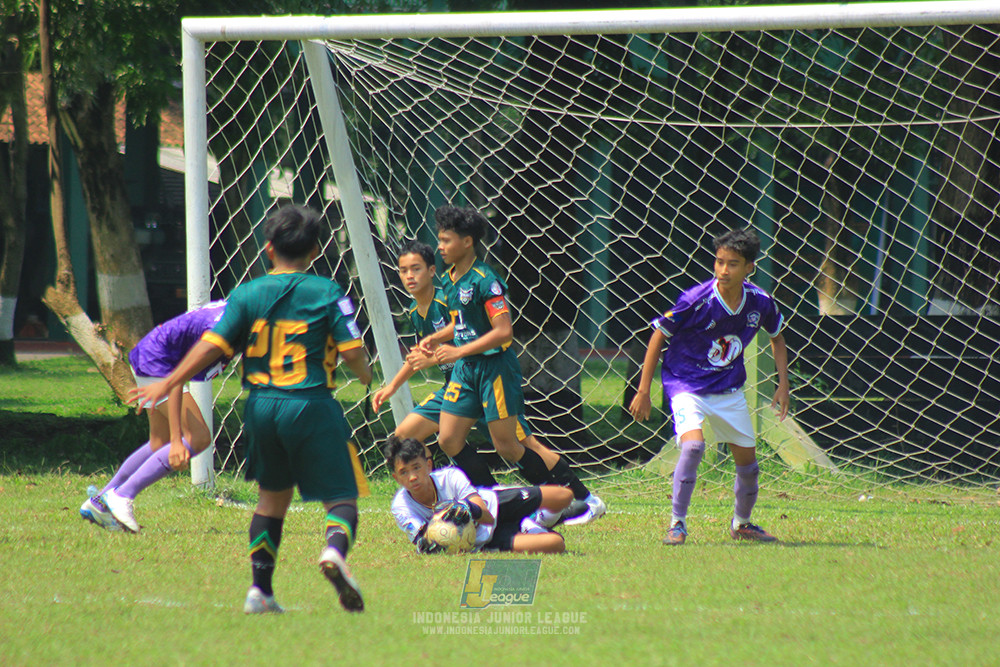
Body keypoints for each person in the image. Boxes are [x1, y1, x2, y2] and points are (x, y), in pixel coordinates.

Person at [130, 205, 373, 614]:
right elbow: (352, 353)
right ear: (315, 250)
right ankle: (334, 553)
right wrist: (365, 373)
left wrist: (171, 380)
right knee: (342, 495)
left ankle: (260, 590)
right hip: (311, 403)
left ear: (268, 248)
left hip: (261, 409)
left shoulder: (245, 294)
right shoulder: (328, 292)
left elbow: (210, 345)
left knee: (270, 501)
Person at [374, 239, 599, 525]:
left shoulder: (449, 297)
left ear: (432, 271)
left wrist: (439, 357)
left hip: (485, 378)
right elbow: (423, 354)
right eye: (403, 270)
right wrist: (392, 386)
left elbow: (469, 333)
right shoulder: (415, 310)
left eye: (415, 269)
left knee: (523, 444)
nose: (409, 276)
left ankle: (584, 497)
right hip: (456, 387)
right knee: (404, 438)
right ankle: (485, 499)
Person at [629, 228, 789, 546]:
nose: (724, 270)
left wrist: (783, 384)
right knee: (693, 447)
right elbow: (659, 334)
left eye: (732, 264)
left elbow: (778, 337)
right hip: (686, 384)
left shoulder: (760, 302)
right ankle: (677, 523)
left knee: (749, 465)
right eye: (719, 262)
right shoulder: (696, 299)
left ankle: (742, 524)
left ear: (749, 268)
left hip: (728, 389)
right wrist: (643, 390)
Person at [80, 300, 228, 533]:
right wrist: (179, 441)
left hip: (150, 352)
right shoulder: (227, 328)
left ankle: (99, 501)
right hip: (158, 362)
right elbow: (179, 376)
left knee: (160, 442)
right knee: (198, 437)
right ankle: (122, 495)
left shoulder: (239, 313)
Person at [386, 435, 572, 554]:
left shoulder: (450, 477)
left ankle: (536, 517)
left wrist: (466, 509)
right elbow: (424, 545)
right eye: (404, 472)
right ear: (396, 477)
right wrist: (446, 533)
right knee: (556, 544)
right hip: (482, 539)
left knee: (563, 496)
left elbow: (487, 517)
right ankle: (528, 523)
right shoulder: (401, 507)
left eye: (416, 468)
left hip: (495, 504)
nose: (412, 477)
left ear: (428, 465)